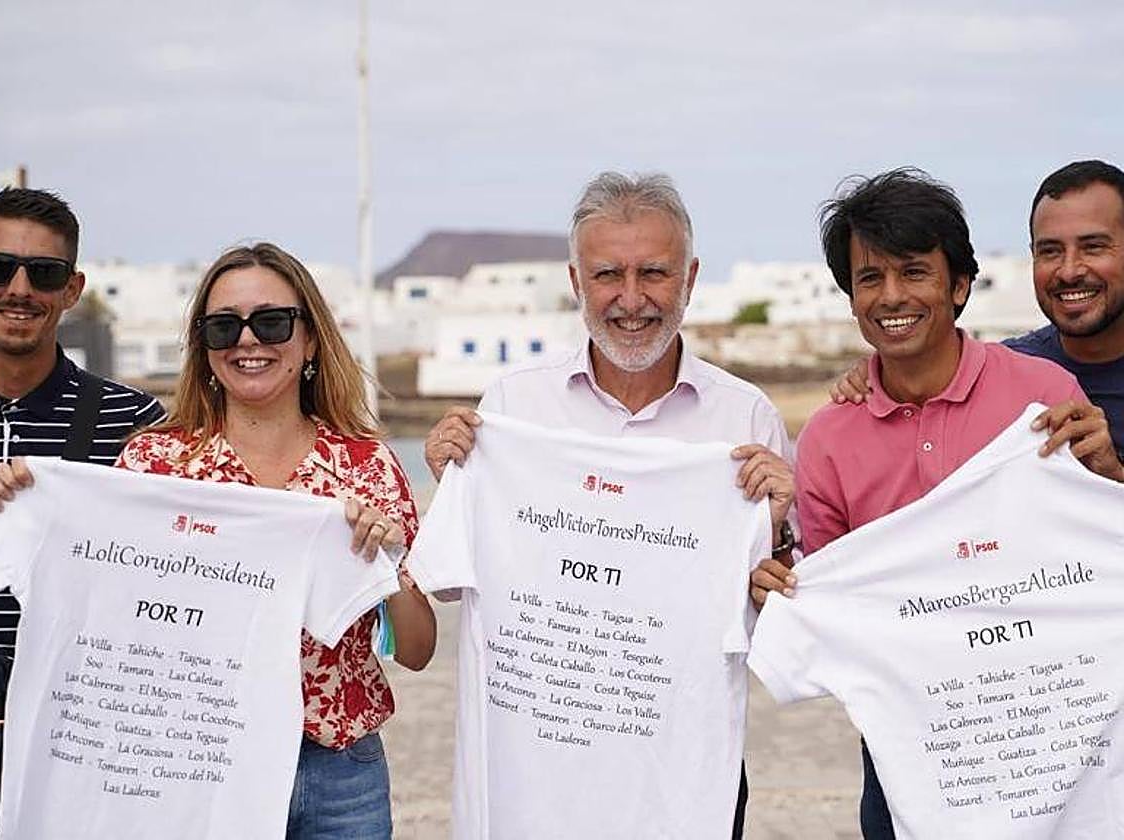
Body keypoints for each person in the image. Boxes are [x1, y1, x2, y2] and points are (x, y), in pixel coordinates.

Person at [0, 243, 437, 840]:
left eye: (272, 321)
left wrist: (386, 561)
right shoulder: (154, 465)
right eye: (224, 327)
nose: (248, 341)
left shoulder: (365, 467)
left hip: (337, 778)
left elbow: (415, 650)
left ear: (309, 339)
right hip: (194, 767)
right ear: (204, 346)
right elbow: (107, 608)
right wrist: (35, 505)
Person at [749, 168, 1122, 839]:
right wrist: (780, 578)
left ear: (958, 285)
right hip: (916, 769)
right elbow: (832, 593)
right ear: (851, 297)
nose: (892, 296)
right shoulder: (831, 437)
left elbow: (1100, 556)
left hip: (1064, 753)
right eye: (870, 278)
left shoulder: (1045, 393)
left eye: (915, 272)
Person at [423, 171, 796, 838]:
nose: (631, 299)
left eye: (653, 272)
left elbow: (774, 623)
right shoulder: (510, 408)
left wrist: (775, 535)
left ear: (691, 278)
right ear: (575, 282)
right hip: (536, 769)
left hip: (684, 771)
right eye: (606, 276)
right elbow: (453, 590)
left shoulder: (747, 420)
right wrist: (454, 486)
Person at [0, 188, 164, 840]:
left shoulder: (135, 425)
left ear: (73, 288)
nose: (20, 288)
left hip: (84, 750)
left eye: (45, 273)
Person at [831, 159, 1124, 458]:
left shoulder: (1042, 384)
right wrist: (883, 375)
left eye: (1093, 247)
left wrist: (1112, 476)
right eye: (1050, 251)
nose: (1069, 271)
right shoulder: (1018, 377)